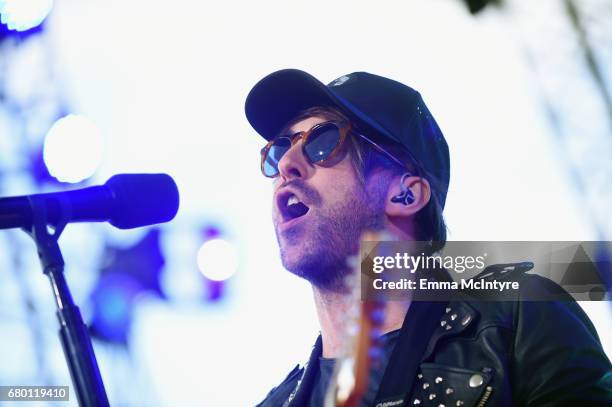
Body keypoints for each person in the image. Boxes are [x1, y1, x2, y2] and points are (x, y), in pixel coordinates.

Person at [244, 69, 612, 407]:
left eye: (322, 141)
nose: (288, 163)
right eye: (279, 148)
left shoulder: (516, 320)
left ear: (405, 195)